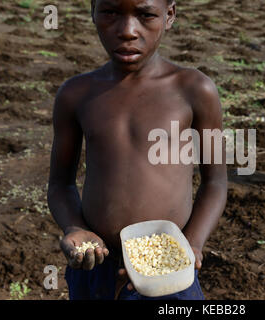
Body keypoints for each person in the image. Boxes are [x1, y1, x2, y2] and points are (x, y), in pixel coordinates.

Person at [47, 0, 227, 300]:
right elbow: (60, 183)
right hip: (95, 265)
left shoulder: (194, 89)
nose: (128, 31)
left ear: (169, 15)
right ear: (93, 11)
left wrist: (192, 244)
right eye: (110, 13)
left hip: (168, 269)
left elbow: (216, 182)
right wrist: (74, 228)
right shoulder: (76, 93)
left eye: (145, 15)